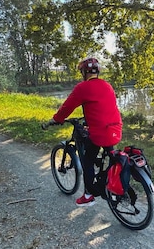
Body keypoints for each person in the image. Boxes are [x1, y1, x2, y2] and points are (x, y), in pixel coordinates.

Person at [48, 57, 122, 207]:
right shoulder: (108, 86)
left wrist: (57, 119)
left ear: (83, 72)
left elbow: (67, 108)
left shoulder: (82, 88)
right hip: (115, 129)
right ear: (98, 72)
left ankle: (88, 195)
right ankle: (111, 182)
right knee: (109, 154)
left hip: (100, 132)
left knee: (87, 161)